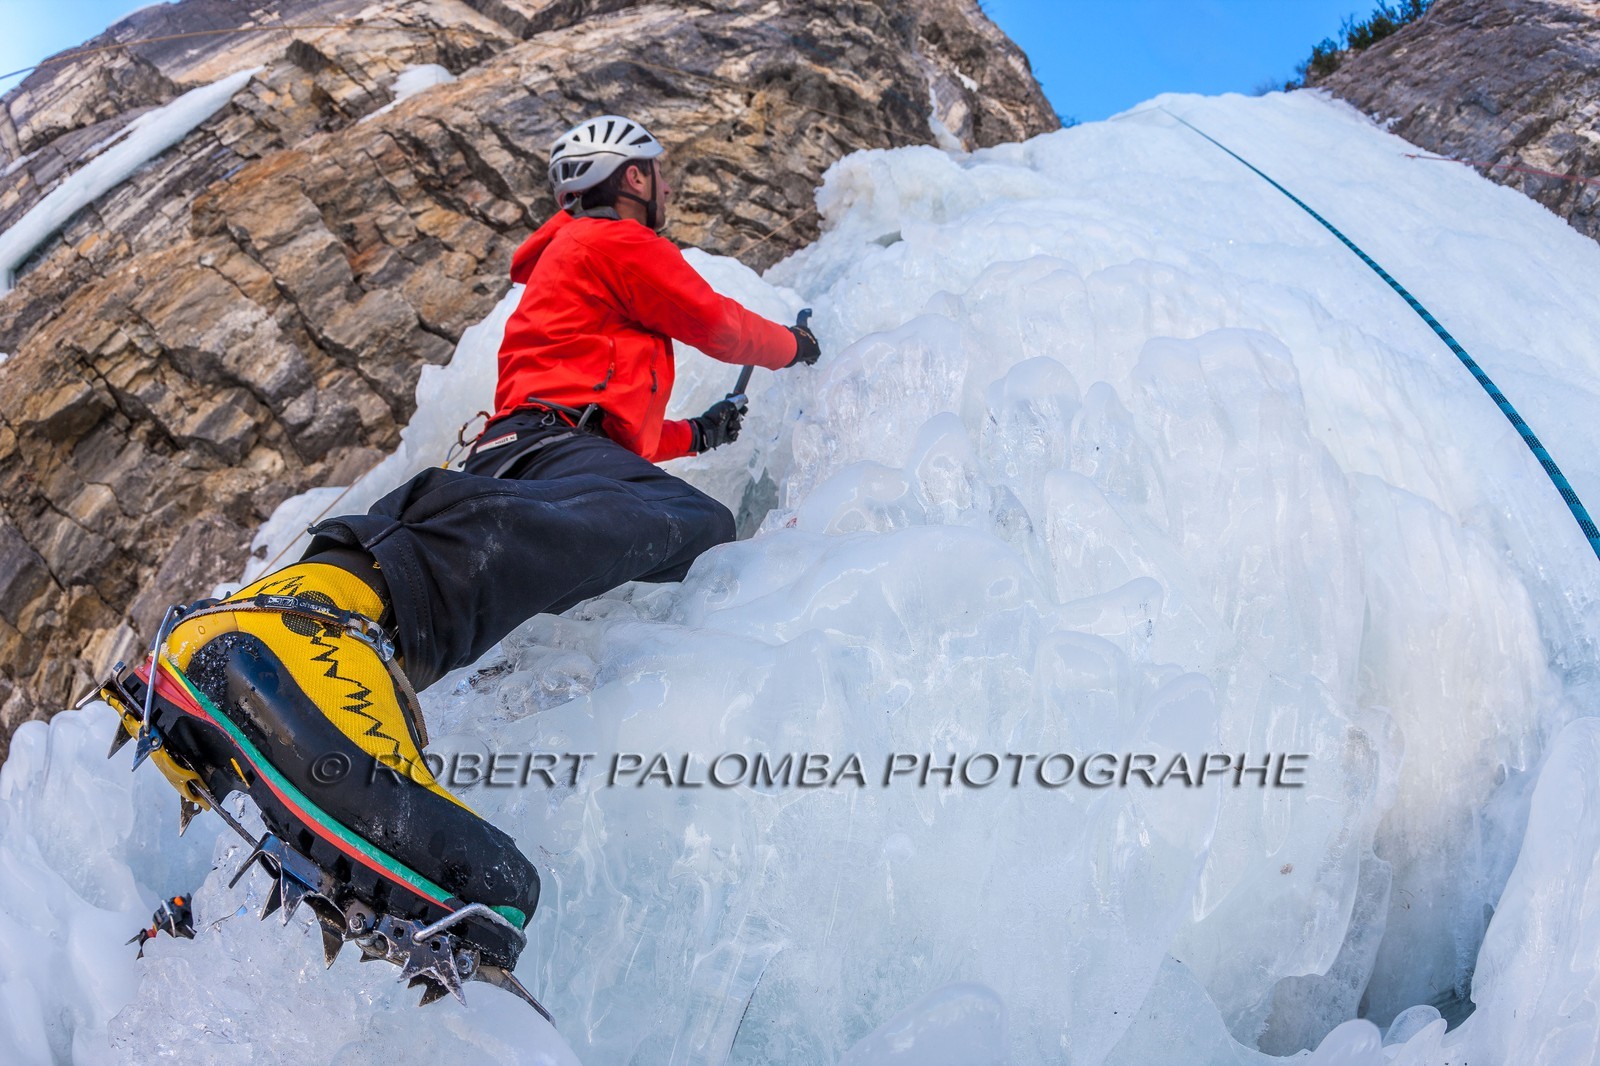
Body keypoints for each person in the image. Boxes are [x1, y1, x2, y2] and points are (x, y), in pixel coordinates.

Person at [109, 115, 822, 972]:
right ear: (633, 180)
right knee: (694, 528)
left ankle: (345, 686)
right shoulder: (612, 239)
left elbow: (598, 420)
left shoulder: (571, 265)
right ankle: (298, 628)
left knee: (656, 522)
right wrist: (793, 346)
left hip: (540, 446)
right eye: (656, 173)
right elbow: (713, 323)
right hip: (553, 446)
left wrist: (695, 437)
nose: (662, 188)